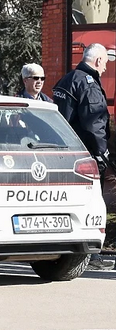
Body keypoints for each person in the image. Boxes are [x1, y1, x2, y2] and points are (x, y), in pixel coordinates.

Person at [53, 43, 115, 271]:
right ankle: (91, 256)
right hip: (85, 157)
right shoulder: (88, 84)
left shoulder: (67, 79)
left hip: (63, 154)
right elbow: (94, 124)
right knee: (91, 205)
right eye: (106, 63)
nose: (106, 68)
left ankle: (66, 253)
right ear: (98, 61)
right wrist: (102, 153)